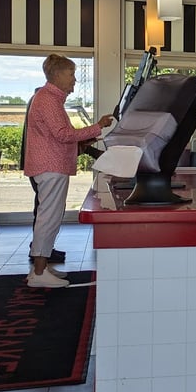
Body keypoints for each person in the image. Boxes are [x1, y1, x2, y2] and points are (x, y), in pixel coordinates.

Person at [23, 54, 114, 288]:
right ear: (57, 75)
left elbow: (60, 136)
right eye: (71, 74)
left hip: (51, 165)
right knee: (48, 218)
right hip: (50, 166)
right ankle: (39, 272)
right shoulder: (48, 100)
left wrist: (90, 137)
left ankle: (41, 268)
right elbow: (63, 135)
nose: (74, 79)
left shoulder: (49, 99)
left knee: (49, 217)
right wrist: (98, 126)